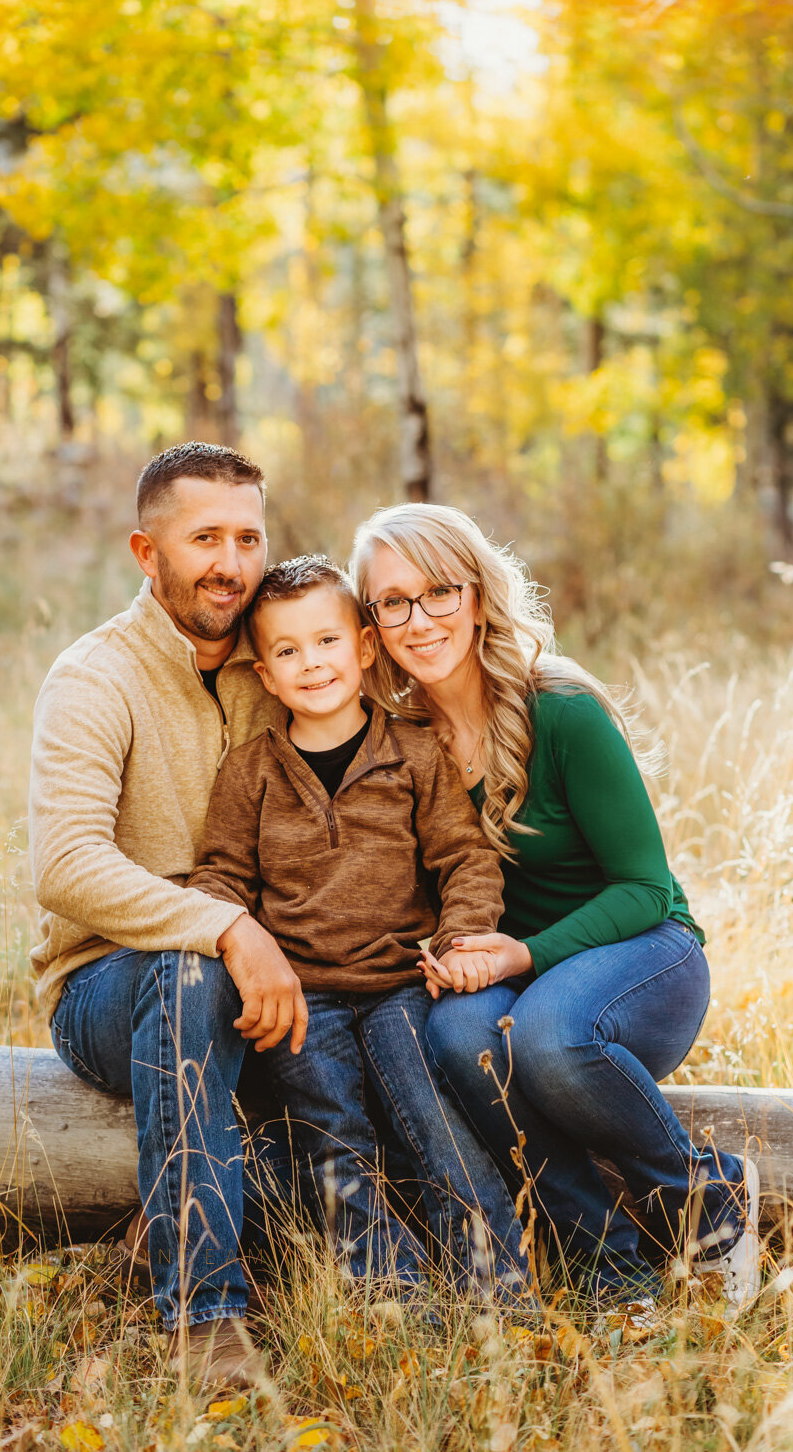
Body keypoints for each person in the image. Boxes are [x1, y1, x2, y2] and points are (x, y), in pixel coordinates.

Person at [350, 502, 761, 1310]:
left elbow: (644, 889)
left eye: (438, 592)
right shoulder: (396, 738)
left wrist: (521, 954)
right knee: (461, 1034)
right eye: (390, 602)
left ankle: (708, 1209)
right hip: (515, 976)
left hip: (642, 955)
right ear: (370, 622)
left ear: (476, 594)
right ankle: (609, 1272)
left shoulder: (560, 710)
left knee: (546, 1037)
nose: (418, 619)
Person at [28, 442, 309, 1392]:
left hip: (271, 975)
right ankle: (205, 1319)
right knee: (191, 974)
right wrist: (225, 927)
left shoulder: (281, 667)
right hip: (110, 983)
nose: (230, 562)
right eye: (203, 539)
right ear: (147, 553)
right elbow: (66, 865)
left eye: (246, 536)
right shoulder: (94, 676)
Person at [188, 556, 532, 1304]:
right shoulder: (250, 772)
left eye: (327, 642)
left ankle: (498, 1289)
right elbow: (218, 877)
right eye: (287, 651)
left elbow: (464, 860)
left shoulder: (412, 753)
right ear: (264, 675)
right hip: (300, 999)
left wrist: (460, 943)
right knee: (333, 1135)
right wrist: (239, 944)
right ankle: (392, 1295)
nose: (311, 664)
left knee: (434, 1123)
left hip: (402, 989)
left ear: (364, 649)